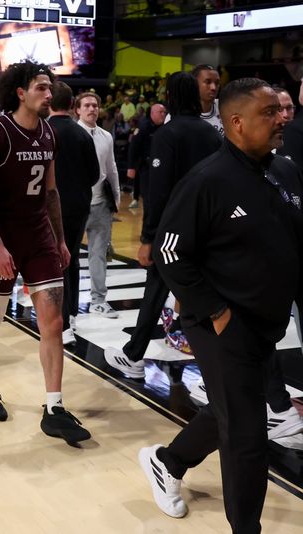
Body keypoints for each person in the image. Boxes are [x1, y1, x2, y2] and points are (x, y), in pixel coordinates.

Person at [142, 78, 302, 532]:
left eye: (282, 110)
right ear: (236, 122)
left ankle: (169, 462)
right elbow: (170, 253)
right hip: (219, 322)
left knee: (237, 408)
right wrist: (217, 312)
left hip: (265, 321)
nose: (281, 118)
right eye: (269, 113)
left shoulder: (284, 171)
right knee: (248, 436)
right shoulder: (207, 180)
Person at [0, 61, 90, 446]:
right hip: (2, 238)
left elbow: (51, 191)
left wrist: (59, 239)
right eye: (41, 87)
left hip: (39, 235)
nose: (48, 93)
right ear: (20, 92)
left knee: (53, 322)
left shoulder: (48, 134)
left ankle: (54, 407)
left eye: (49, 88)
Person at [104, 72, 221, 379]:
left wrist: (148, 237)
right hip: (206, 229)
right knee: (201, 298)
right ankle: (215, 369)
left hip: (173, 231)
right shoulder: (211, 134)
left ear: (170, 96)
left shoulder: (167, 135)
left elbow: (159, 192)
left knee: (156, 290)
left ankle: (134, 356)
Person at [46, 81, 100, 345]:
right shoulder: (82, 134)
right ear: (71, 105)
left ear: (48, 102)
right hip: (79, 205)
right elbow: (94, 175)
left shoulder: (43, 132)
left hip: (49, 206)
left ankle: (62, 320)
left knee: (54, 262)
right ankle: (72, 313)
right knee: (72, 257)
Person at [76, 92, 120, 318]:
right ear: (78, 110)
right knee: (68, 255)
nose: (92, 109)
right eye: (87, 105)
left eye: (95, 105)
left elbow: (111, 167)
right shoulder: (71, 134)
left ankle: (98, 300)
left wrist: (117, 197)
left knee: (99, 254)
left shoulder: (106, 136)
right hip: (76, 204)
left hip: (101, 203)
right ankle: (67, 305)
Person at [126, 103, 166, 208]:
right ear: (152, 113)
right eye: (160, 112)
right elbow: (133, 148)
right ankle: (136, 198)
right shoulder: (143, 127)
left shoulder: (166, 127)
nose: (163, 114)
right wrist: (131, 167)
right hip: (145, 164)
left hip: (161, 165)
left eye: (164, 112)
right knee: (146, 194)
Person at [191, 64, 223, 136]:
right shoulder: (177, 114)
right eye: (208, 82)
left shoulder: (225, 107)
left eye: (217, 83)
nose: (213, 88)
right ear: (194, 84)